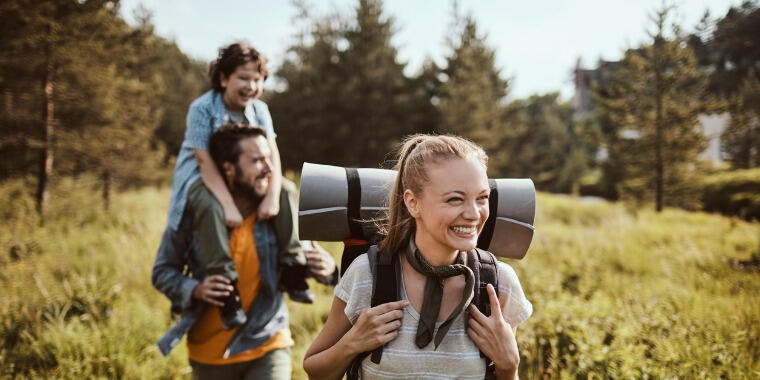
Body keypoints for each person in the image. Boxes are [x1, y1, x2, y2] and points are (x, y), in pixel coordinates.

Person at [303, 135, 532, 380]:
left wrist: (509, 366)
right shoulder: (366, 275)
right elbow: (315, 372)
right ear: (413, 203)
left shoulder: (498, 285)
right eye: (455, 199)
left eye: (482, 198)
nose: (474, 214)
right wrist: (352, 343)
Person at [152, 124, 338, 379]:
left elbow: (314, 264)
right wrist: (195, 289)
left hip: (268, 343)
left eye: (268, 158)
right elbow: (162, 271)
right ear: (229, 168)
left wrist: (328, 269)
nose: (269, 168)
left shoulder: (278, 210)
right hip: (208, 354)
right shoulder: (194, 213)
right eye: (257, 161)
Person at [164, 41, 315, 328]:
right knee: (209, 205)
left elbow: (273, 154)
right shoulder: (202, 108)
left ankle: (293, 267)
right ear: (223, 78)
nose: (251, 86)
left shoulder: (260, 110)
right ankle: (227, 287)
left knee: (286, 189)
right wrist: (227, 205)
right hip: (202, 178)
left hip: (247, 175)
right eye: (243, 78)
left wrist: (272, 196)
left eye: (257, 79)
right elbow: (204, 162)